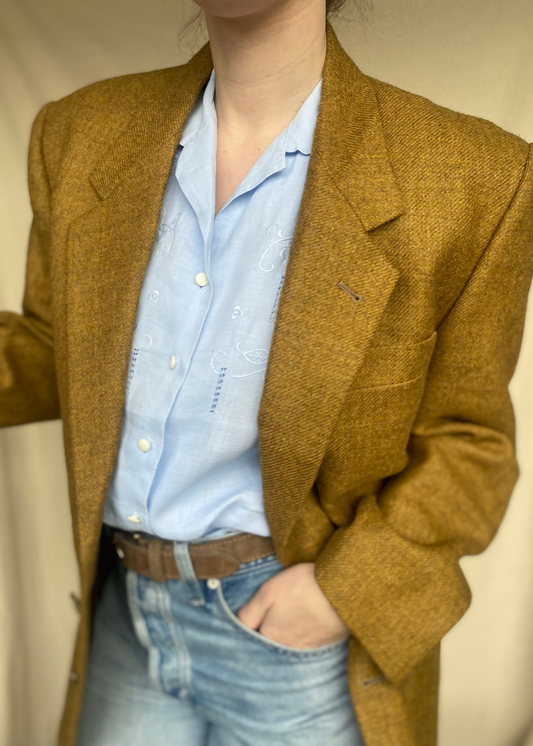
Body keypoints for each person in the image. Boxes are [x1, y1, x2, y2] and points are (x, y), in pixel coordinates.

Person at [2, 0, 533, 744]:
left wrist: (345, 594)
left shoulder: (475, 177)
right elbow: (55, 348)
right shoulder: (78, 132)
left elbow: (470, 443)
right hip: (124, 616)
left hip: (294, 639)